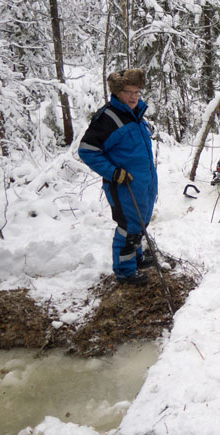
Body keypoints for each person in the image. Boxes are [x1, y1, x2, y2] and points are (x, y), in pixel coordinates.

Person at [78, 68, 157, 285]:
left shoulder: (136, 115)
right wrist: (113, 172)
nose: (133, 97)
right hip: (123, 185)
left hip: (142, 183)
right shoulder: (108, 118)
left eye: (137, 92)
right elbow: (87, 150)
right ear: (117, 92)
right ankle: (125, 272)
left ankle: (136, 258)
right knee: (128, 226)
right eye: (128, 92)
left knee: (139, 222)